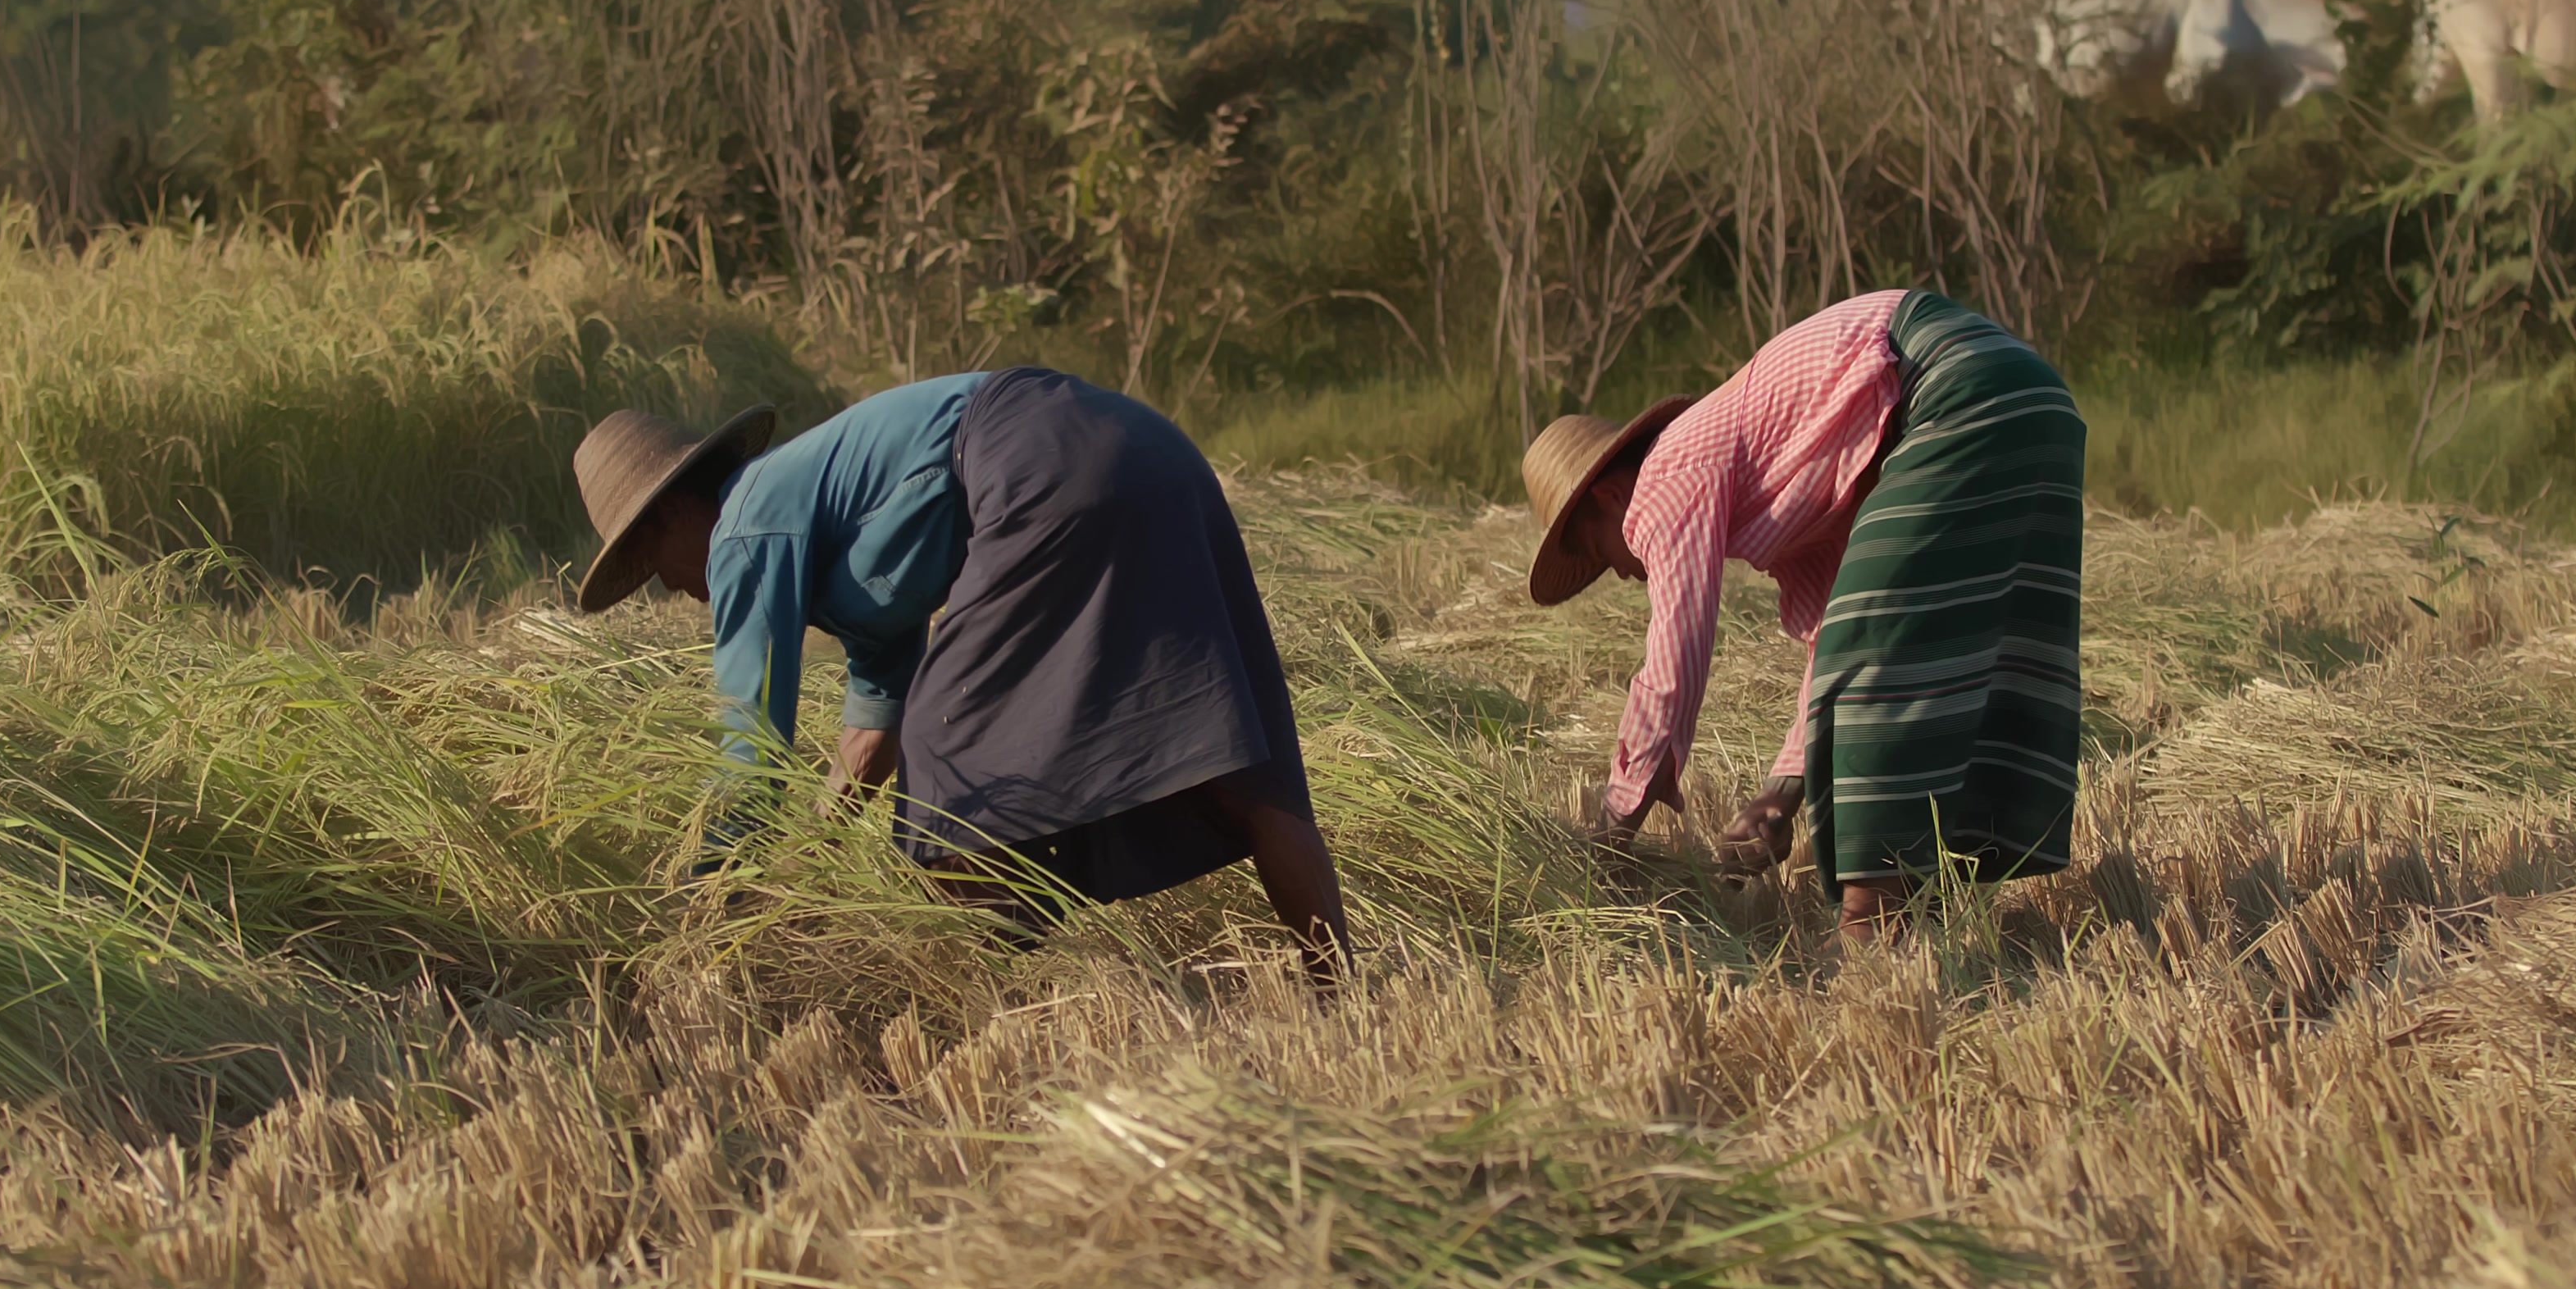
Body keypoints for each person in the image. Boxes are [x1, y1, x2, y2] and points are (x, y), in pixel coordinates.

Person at [567, 369, 1349, 986]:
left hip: (1033, 458)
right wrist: (807, 871)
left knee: (945, 759)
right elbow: (871, 734)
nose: (670, 589)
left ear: (675, 511)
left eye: (649, 564)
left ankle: (1023, 994)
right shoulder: (835, 522)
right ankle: (1339, 999)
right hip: (1147, 447)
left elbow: (750, 754)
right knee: (1237, 767)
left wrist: (707, 911)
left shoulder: (744, 527)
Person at [1522, 292, 2085, 941]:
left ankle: (1870, 934)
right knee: (1945, 645)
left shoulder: (1665, 475)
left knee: (1876, 649)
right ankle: (1917, 915)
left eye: (1599, 552)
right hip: (2030, 391)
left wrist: (1611, 829)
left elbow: (1673, 662)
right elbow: (1827, 643)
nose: (1620, 572)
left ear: (1611, 495)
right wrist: (1778, 796)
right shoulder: (1790, 487)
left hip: (1954, 382)